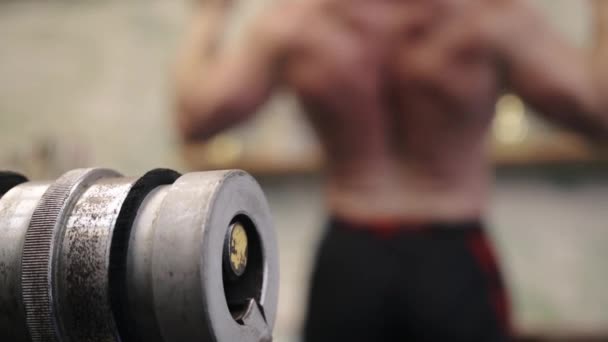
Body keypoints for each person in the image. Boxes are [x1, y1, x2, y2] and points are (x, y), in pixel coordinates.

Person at [174, 0, 608, 341]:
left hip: (351, 260)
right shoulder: (488, 18)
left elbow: (196, 116)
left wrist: (210, 13)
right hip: (452, 259)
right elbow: (599, 110)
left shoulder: (298, 24)